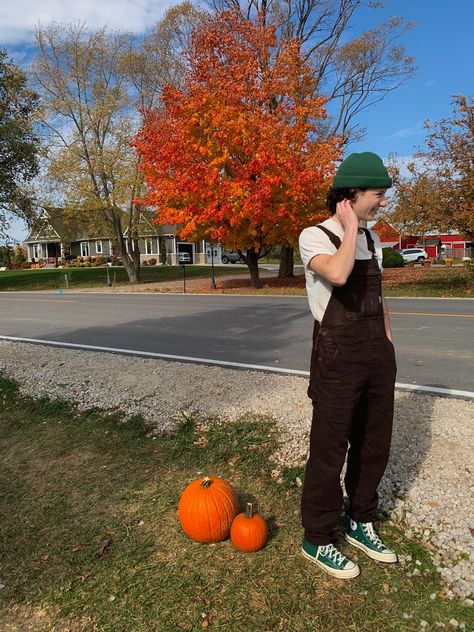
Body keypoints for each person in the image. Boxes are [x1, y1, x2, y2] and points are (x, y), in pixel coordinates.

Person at [298, 152, 398, 579]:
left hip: (376, 352)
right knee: (329, 446)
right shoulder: (314, 235)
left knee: (374, 442)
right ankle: (317, 537)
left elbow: (378, 298)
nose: (381, 202)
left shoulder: (373, 240)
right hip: (337, 355)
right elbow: (338, 276)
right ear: (353, 194)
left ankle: (361, 519)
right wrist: (350, 228)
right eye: (377, 195)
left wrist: (389, 344)